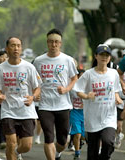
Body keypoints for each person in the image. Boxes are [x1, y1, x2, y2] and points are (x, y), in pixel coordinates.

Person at [33, 28, 78, 160]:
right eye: (51, 42)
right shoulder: (38, 61)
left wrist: (66, 89)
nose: (53, 45)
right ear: (47, 43)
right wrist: (36, 93)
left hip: (63, 105)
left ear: (60, 43)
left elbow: (74, 78)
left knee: (62, 140)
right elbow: (34, 80)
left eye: (56, 42)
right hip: (45, 105)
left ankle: (58, 154)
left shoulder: (67, 60)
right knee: (48, 137)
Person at [73, 44, 122, 160]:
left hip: (109, 116)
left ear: (110, 58)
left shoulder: (113, 73)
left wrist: (117, 98)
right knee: (92, 153)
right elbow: (77, 90)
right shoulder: (89, 74)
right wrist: (86, 96)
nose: (104, 57)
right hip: (92, 117)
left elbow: (115, 90)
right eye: (101, 55)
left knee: (108, 142)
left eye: (106, 55)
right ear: (96, 56)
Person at [0, 37, 41, 160]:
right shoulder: (0, 69)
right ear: (7, 49)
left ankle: (15, 152)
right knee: (10, 142)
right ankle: (12, 152)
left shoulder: (29, 67)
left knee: (26, 146)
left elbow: (37, 88)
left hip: (26, 110)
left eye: (18, 45)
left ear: (21, 48)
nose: (16, 48)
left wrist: (32, 97)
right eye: (13, 45)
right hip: (8, 110)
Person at [69, 69, 85, 160]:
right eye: (80, 76)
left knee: (84, 136)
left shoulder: (88, 86)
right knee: (77, 134)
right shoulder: (73, 87)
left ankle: (80, 143)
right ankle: (77, 153)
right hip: (75, 111)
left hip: (85, 113)